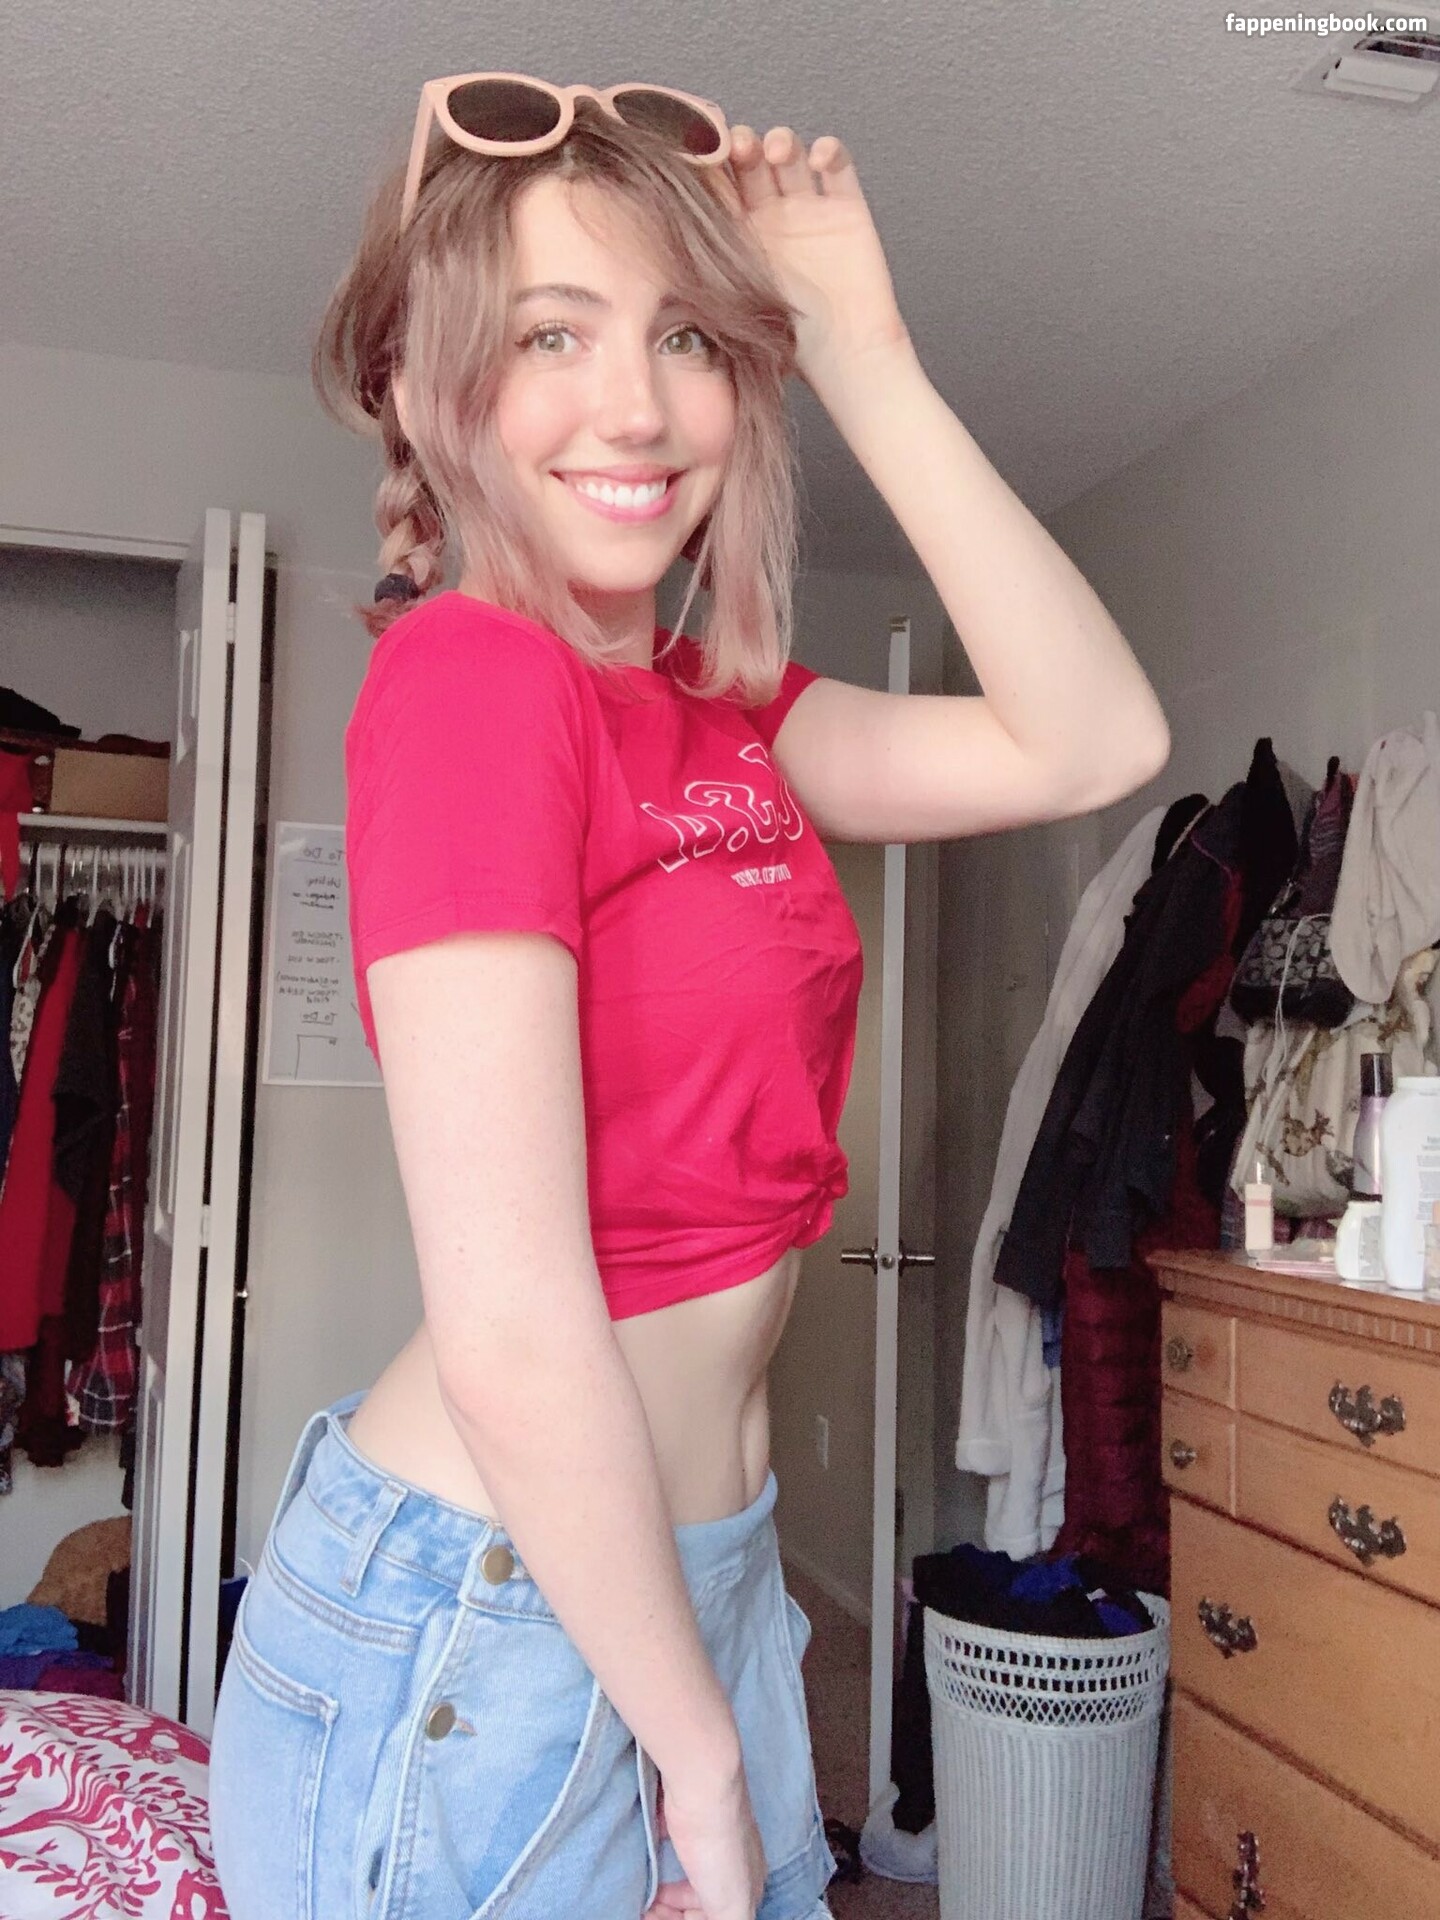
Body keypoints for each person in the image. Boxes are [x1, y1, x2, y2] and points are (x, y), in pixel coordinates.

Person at [206, 75, 1170, 1920]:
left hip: (689, 1570)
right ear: (430, 385)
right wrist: (706, 1762)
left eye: (690, 338)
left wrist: (864, 351)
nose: (639, 408)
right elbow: (507, 1320)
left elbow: (1094, 739)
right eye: (550, 335)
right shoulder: (477, 680)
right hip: (500, 1598)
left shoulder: (727, 710)